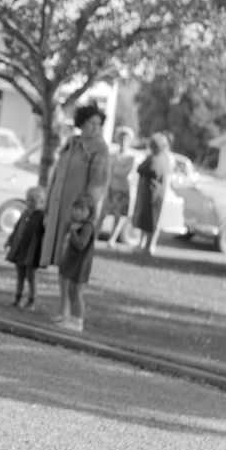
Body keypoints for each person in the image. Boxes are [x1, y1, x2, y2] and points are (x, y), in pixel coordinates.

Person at [40, 102, 110, 325]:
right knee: (61, 261)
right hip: (60, 209)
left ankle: (73, 314)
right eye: (90, 123)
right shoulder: (72, 144)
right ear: (81, 122)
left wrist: (84, 215)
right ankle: (63, 309)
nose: (94, 128)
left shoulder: (100, 150)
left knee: (71, 263)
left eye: (98, 124)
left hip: (78, 216)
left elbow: (97, 185)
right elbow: (56, 176)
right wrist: (48, 208)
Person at [56, 193, 97, 333]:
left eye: (82, 209)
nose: (78, 212)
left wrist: (73, 232)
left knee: (77, 293)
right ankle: (71, 318)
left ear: (90, 212)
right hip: (72, 263)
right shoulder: (75, 224)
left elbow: (81, 244)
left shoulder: (87, 227)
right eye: (76, 208)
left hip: (81, 265)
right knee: (71, 291)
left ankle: (78, 321)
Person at [4, 185, 46, 309]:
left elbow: (43, 233)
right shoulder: (25, 214)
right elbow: (17, 229)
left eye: (33, 201)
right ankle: (18, 298)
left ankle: (31, 300)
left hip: (32, 252)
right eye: (28, 200)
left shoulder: (41, 217)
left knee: (31, 277)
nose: (30, 203)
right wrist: (10, 241)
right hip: (20, 250)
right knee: (20, 276)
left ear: (41, 202)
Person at [131, 132, 173, 256]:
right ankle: (142, 244)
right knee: (146, 221)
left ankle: (148, 246)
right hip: (150, 194)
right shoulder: (158, 157)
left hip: (153, 195)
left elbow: (145, 169)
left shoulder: (159, 158)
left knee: (151, 222)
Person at [104, 126, 136, 249]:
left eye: (126, 139)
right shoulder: (112, 155)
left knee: (119, 216)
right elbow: (109, 170)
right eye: (122, 139)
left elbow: (124, 173)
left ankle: (112, 239)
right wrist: (116, 169)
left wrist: (115, 169)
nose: (123, 141)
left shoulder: (131, 157)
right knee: (103, 214)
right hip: (111, 188)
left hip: (123, 190)